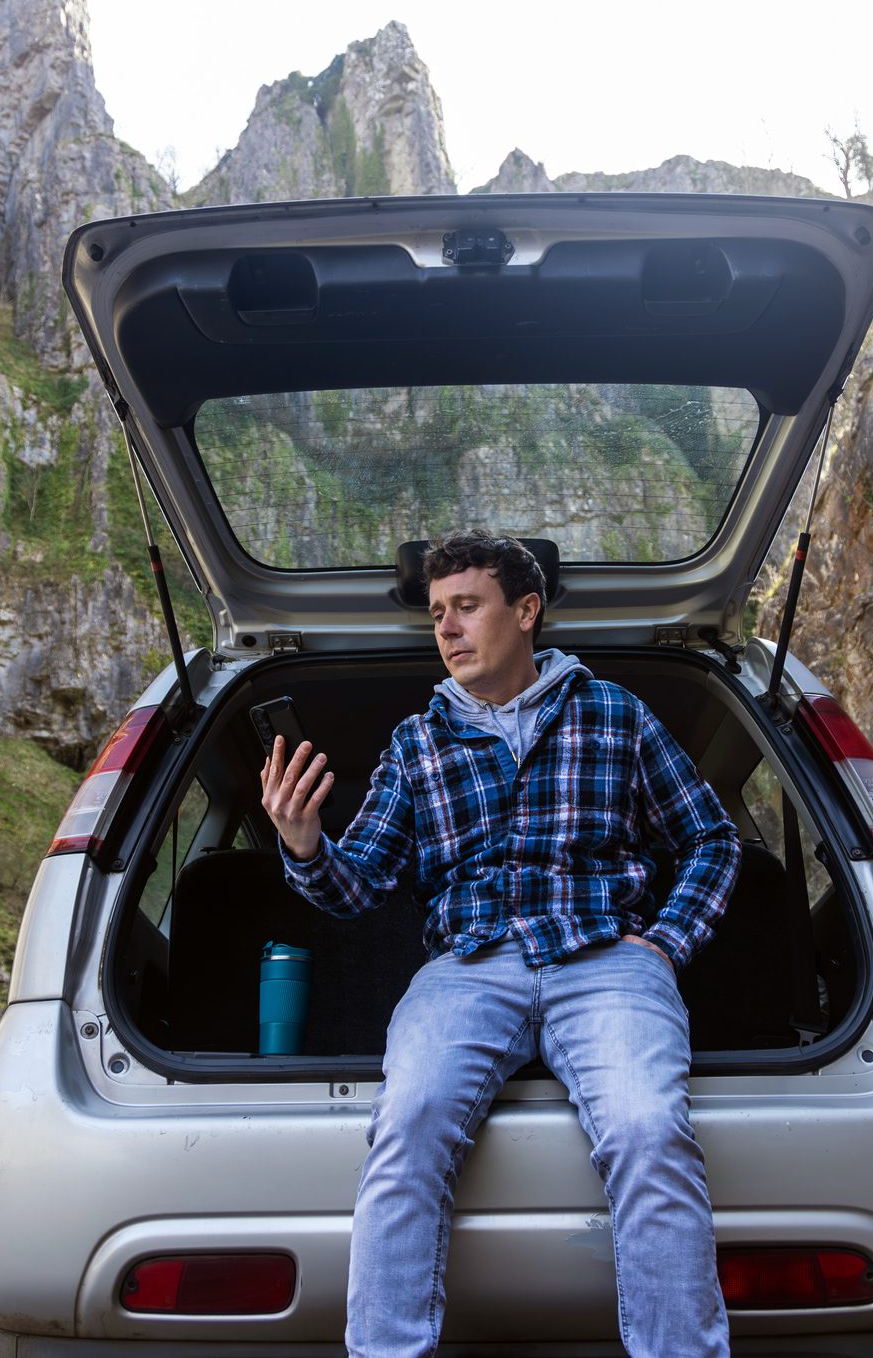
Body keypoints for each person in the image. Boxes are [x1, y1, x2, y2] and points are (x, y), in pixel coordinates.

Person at [258, 530, 740, 1357]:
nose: (446, 628)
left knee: (647, 1130)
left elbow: (712, 840)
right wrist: (305, 847)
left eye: (466, 607)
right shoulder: (417, 743)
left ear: (525, 611)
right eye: (437, 614)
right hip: (467, 969)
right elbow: (360, 884)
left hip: (606, 958)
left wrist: (663, 945)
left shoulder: (614, 713)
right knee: (405, 1125)